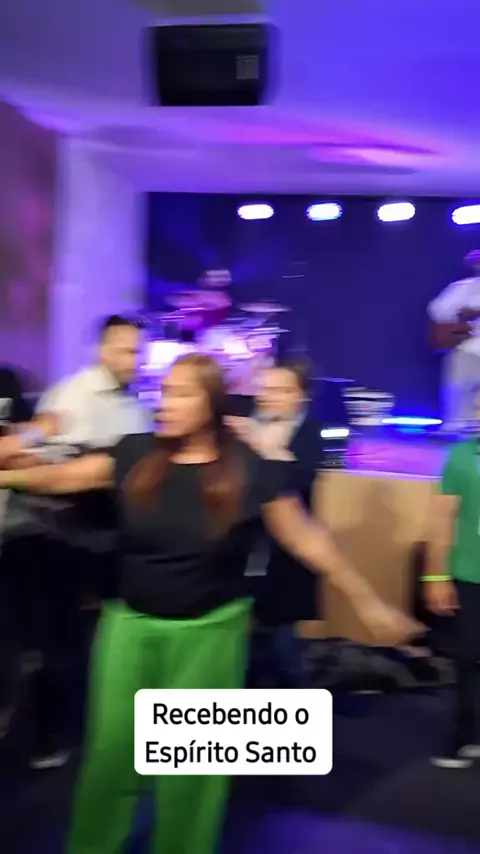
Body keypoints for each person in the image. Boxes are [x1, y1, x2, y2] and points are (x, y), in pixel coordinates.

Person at [0, 354, 421, 854]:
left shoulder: (248, 469)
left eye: (182, 393)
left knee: (189, 771)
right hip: (129, 628)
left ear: (211, 404)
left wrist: (368, 602)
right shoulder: (136, 451)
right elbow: (60, 478)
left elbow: (308, 539)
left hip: (209, 634)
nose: (166, 403)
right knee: (112, 757)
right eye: (165, 392)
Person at [0, 315, 150, 769]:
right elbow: (41, 458)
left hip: (104, 535)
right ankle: (48, 735)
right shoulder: (75, 395)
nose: (134, 359)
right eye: (125, 350)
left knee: (102, 634)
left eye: (138, 351)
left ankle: (99, 725)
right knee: (54, 640)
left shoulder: (134, 404)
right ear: (103, 350)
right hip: (55, 535)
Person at [230, 357, 324, 687]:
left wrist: (264, 445)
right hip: (240, 546)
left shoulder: (309, 433)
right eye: (264, 388)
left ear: (301, 395)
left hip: (283, 551)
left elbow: (299, 481)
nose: (267, 396)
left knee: (283, 645)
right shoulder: (241, 420)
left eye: (280, 390)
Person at [424, 427, 480, 768]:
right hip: (469, 575)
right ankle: (467, 735)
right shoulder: (461, 456)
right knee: (468, 658)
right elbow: (442, 519)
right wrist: (435, 575)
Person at [428, 250, 480, 432]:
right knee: (459, 392)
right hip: (469, 347)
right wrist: (463, 312)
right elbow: (437, 310)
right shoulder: (463, 287)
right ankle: (457, 429)